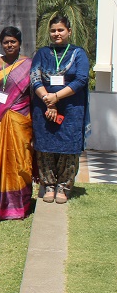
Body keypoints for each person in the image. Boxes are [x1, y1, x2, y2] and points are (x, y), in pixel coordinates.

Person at [30, 15, 90, 205]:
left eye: (60, 30)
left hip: (72, 109)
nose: (56, 33)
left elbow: (81, 79)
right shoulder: (43, 53)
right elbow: (34, 77)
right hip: (44, 107)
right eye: (53, 30)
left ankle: (63, 186)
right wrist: (49, 101)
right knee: (45, 147)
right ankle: (48, 184)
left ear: (69, 32)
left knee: (68, 148)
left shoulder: (78, 53)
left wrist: (56, 97)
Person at [0, 27, 34, 220]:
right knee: (1, 162)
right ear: (0, 44)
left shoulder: (28, 64)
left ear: (19, 43)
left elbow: (33, 93)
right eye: (6, 42)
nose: (9, 45)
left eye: (13, 41)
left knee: (21, 161)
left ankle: (20, 204)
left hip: (21, 120)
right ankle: (0, 204)